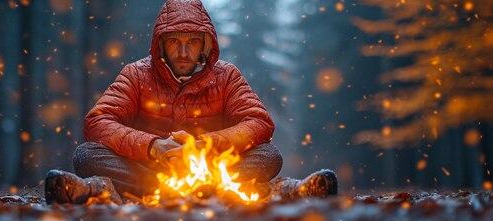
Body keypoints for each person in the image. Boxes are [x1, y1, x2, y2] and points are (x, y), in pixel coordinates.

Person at [44, 0, 337, 204]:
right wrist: (152, 147)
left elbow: (259, 122)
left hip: (212, 169)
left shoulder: (226, 75)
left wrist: (205, 147)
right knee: (87, 154)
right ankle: (278, 191)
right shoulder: (136, 73)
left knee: (269, 155)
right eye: (174, 41)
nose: (183, 52)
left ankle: (99, 190)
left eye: (192, 42)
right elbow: (98, 122)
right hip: (149, 169)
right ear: (160, 43)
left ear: (205, 45)